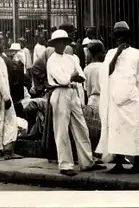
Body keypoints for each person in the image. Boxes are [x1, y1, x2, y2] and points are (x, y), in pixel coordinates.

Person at [96, 21, 139, 174]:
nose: (120, 39)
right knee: (118, 131)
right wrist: (117, 54)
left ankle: (136, 164)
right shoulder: (110, 53)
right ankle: (119, 163)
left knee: (134, 130)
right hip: (115, 99)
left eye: (123, 36)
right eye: (117, 36)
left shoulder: (137, 54)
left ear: (128, 37)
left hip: (132, 99)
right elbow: (106, 72)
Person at [46, 29, 105, 176]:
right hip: (59, 92)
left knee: (81, 127)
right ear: (54, 44)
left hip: (73, 92)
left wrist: (71, 77)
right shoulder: (52, 60)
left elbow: (81, 75)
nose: (62, 44)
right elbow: (62, 79)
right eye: (59, 42)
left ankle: (87, 161)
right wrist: (71, 77)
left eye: (64, 42)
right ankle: (65, 165)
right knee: (62, 129)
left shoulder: (71, 58)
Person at [82, 40, 105, 151]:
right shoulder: (105, 67)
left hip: (92, 99)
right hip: (103, 98)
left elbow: (85, 88)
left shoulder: (87, 69)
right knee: (103, 127)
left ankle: (93, 151)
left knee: (92, 128)